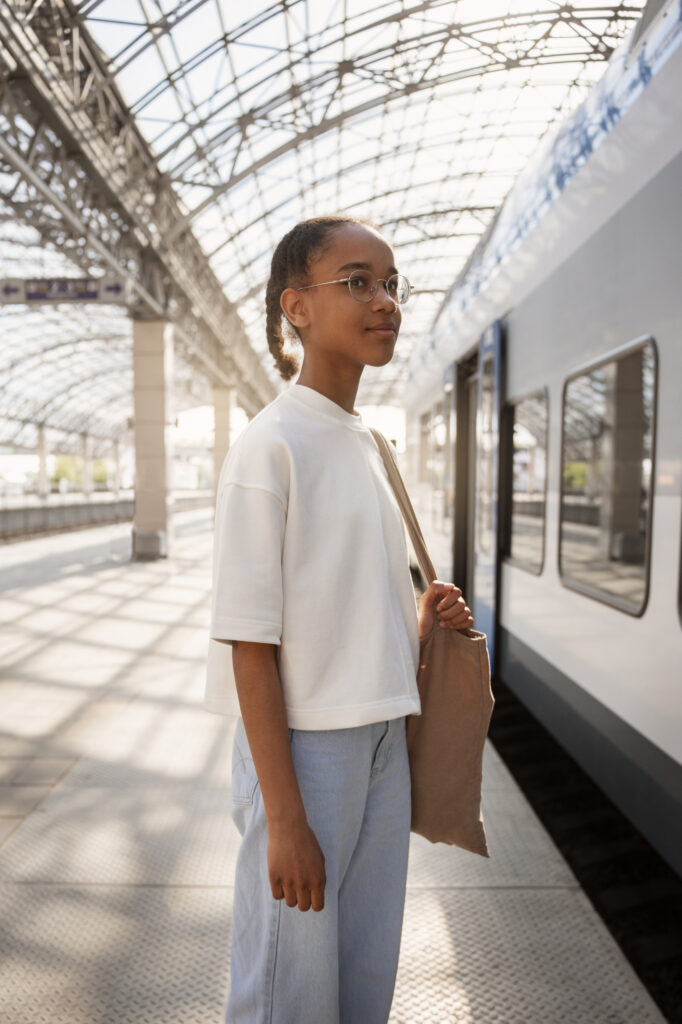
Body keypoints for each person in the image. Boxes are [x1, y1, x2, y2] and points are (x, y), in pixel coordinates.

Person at [208, 215, 473, 1024]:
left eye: (391, 284)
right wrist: (284, 818)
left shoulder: (369, 442)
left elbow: (346, 599)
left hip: (386, 737)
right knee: (288, 986)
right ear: (297, 308)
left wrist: (423, 627)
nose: (384, 301)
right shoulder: (271, 445)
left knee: (364, 977)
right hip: (307, 750)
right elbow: (250, 647)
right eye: (356, 282)